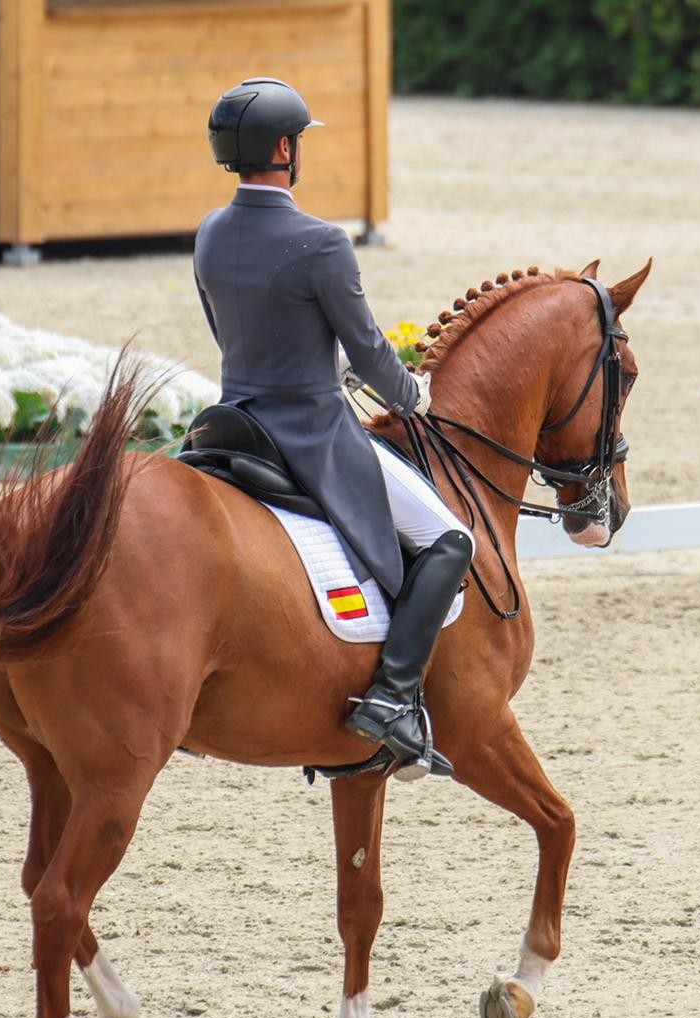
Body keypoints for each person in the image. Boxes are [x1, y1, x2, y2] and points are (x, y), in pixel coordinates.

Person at [194, 77, 474, 779]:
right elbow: (368, 347)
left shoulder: (210, 233)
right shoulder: (321, 242)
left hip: (234, 424)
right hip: (311, 431)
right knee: (450, 539)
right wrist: (410, 395)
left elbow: (228, 333)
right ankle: (393, 698)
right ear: (285, 148)